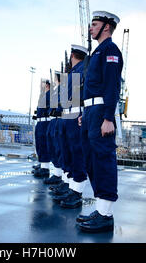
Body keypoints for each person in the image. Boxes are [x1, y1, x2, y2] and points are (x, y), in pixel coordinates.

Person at [77, 11, 123, 233]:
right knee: (91, 160)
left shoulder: (110, 51)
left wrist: (108, 117)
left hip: (101, 112)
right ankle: (100, 208)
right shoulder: (97, 52)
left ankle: (106, 215)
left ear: (106, 27)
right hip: (90, 111)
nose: (90, 28)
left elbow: (112, 86)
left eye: (94, 24)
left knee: (103, 159)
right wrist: (83, 113)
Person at [51, 45, 88, 209]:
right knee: (66, 152)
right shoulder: (72, 73)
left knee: (76, 153)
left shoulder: (83, 69)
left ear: (72, 55)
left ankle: (77, 192)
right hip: (66, 116)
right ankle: (70, 186)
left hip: (75, 114)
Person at [32, 80, 51, 178]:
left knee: (43, 144)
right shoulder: (43, 95)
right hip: (40, 121)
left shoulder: (50, 95)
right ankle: (42, 164)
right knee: (39, 144)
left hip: (45, 122)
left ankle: (45, 168)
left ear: (47, 85)